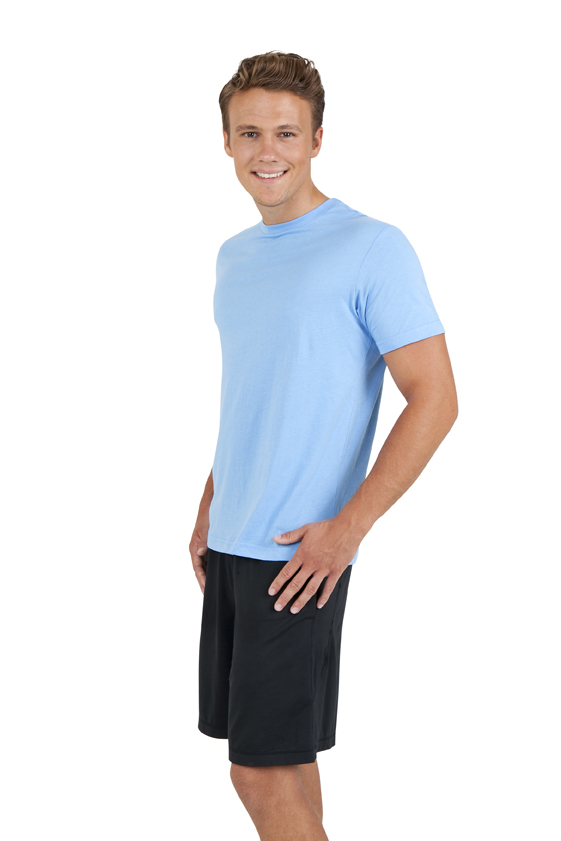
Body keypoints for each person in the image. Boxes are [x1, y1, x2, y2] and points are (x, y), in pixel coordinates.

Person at [190, 51, 458, 841]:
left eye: (285, 132)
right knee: (287, 763)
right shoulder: (234, 255)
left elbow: (435, 397)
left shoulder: (370, 246)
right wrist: (209, 505)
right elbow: (256, 396)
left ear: (315, 139)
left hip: (298, 554)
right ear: (226, 142)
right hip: (234, 543)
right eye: (248, 133)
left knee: (257, 771)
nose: (265, 150)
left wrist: (347, 529)